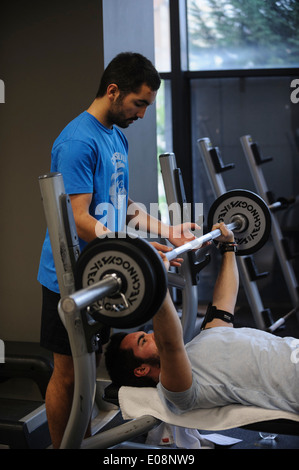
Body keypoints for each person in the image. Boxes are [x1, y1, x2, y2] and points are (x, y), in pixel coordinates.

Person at [37, 51, 198, 448]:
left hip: (103, 271)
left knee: (89, 365)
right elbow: (78, 217)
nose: (142, 114)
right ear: (113, 91)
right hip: (70, 278)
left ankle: (82, 436)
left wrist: (167, 231)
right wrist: (134, 251)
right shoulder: (78, 141)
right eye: (139, 103)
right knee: (70, 372)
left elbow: (121, 204)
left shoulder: (116, 136)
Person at [105, 222, 299, 416]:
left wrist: (229, 246)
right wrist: (155, 276)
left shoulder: (202, 341)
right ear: (141, 370)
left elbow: (225, 301)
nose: (152, 334)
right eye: (143, 340)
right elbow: (169, 345)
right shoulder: (178, 391)